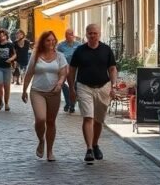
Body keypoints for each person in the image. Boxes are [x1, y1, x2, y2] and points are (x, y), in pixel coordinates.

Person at [67, 23, 119, 164]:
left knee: (98, 120)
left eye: (95, 33)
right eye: (90, 33)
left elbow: (112, 69)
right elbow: (71, 70)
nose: (92, 35)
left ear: (99, 34)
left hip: (103, 87)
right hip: (84, 86)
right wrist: (71, 88)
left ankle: (95, 144)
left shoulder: (106, 50)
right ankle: (89, 149)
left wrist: (113, 86)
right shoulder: (80, 51)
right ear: (86, 34)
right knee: (88, 117)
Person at [22, 30, 68, 162]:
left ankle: (50, 151)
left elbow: (63, 73)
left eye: (53, 40)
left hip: (54, 92)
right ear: (43, 42)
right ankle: (41, 140)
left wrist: (60, 83)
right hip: (37, 91)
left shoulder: (59, 56)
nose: (51, 42)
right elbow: (29, 73)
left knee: (51, 122)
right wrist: (24, 90)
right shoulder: (36, 55)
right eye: (48, 40)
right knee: (41, 119)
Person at [56, 28, 82, 113]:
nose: (70, 36)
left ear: (73, 35)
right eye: (68, 34)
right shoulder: (61, 45)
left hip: (75, 69)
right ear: (65, 35)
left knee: (74, 87)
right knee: (63, 85)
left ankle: (72, 105)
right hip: (64, 68)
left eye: (71, 34)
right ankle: (68, 102)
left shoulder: (79, 45)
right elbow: (57, 56)